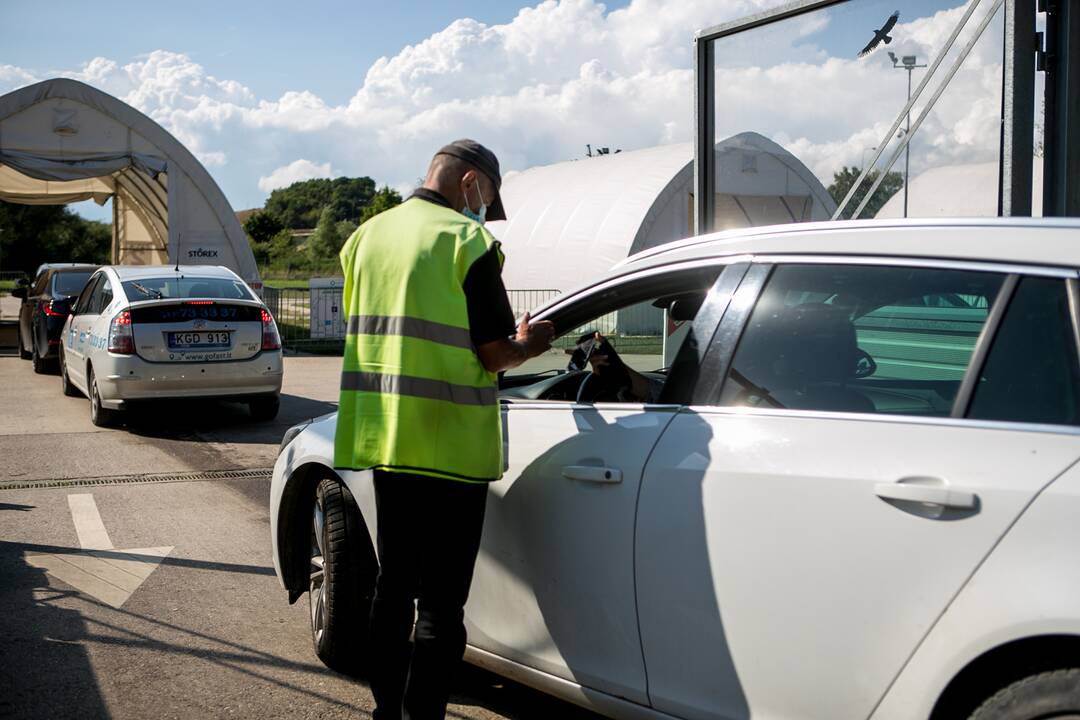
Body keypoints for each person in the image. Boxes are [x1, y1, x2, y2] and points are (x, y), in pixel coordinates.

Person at [334, 139, 555, 720]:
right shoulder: (468, 241)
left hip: (388, 441)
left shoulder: (364, 239)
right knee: (439, 605)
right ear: (470, 184)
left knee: (392, 588)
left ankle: (387, 713)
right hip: (452, 447)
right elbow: (494, 354)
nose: (484, 210)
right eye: (487, 197)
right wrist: (534, 342)